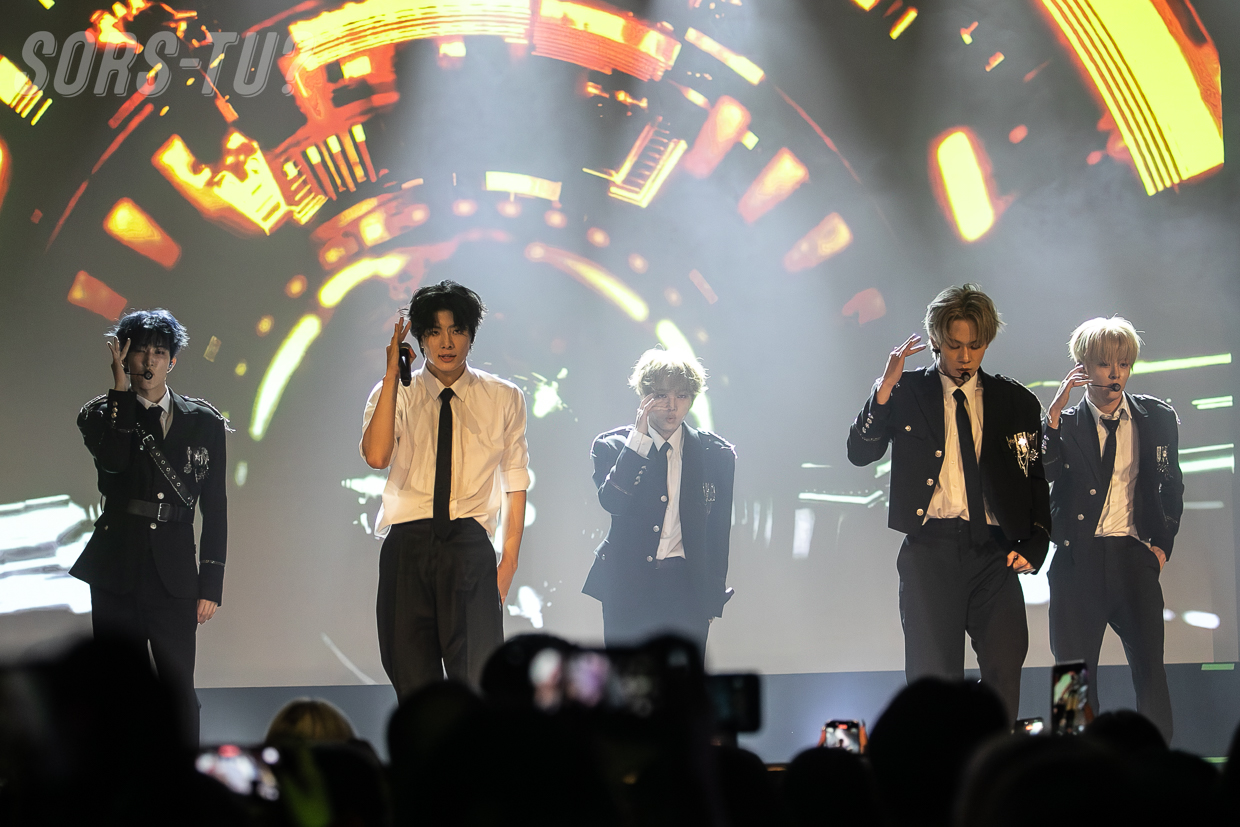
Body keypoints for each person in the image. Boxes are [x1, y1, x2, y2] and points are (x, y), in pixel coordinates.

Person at [846, 284, 1049, 720]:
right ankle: (938, 762)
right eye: (955, 345)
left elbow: (1035, 477)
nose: (965, 356)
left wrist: (1037, 542)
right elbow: (860, 452)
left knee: (1005, 664)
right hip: (929, 550)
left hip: (994, 551)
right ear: (936, 340)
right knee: (933, 680)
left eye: (976, 345)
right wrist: (883, 390)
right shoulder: (906, 392)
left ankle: (993, 757)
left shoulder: (1016, 401)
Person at [361, 280, 529, 699]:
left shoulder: (504, 397)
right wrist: (391, 375)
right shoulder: (394, 393)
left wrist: (508, 563)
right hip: (407, 548)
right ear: (419, 339)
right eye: (434, 332)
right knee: (413, 686)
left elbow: (515, 482)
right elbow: (377, 456)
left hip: (470, 547)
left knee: (478, 685)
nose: (446, 343)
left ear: (471, 334)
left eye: (456, 330)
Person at [73, 308, 228, 746]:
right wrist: (120, 393)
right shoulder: (101, 414)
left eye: (158, 352)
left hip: (174, 574)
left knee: (178, 691)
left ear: (172, 360)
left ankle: (182, 779)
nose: (148, 360)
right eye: (139, 351)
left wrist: (211, 582)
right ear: (123, 356)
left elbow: (215, 506)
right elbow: (113, 464)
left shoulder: (205, 421)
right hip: (116, 570)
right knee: (119, 691)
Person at [1043, 316, 1182, 740]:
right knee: (1073, 678)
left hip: (1133, 558)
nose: (1116, 373)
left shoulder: (1156, 417)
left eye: (1124, 363)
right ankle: (1074, 763)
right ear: (1084, 367)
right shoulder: (1066, 423)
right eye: (1105, 364)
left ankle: (1157, 762)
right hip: (1077, 561)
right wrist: (1052, 420)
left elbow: (1171, 484)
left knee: (1151, 671)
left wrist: (1162, 546)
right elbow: (1042, 476)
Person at [582, 348, 736, 656]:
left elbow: (718, 533)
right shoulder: (612, 446)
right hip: (627, 585)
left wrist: (711, 599)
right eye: (662, 395)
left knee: (682, 682)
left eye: (682, 396)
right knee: (627, 678)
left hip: (686, 588)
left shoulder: (715, 454)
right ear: (645, 396)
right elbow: (612, 502)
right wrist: (638, 442)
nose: (672, 406)